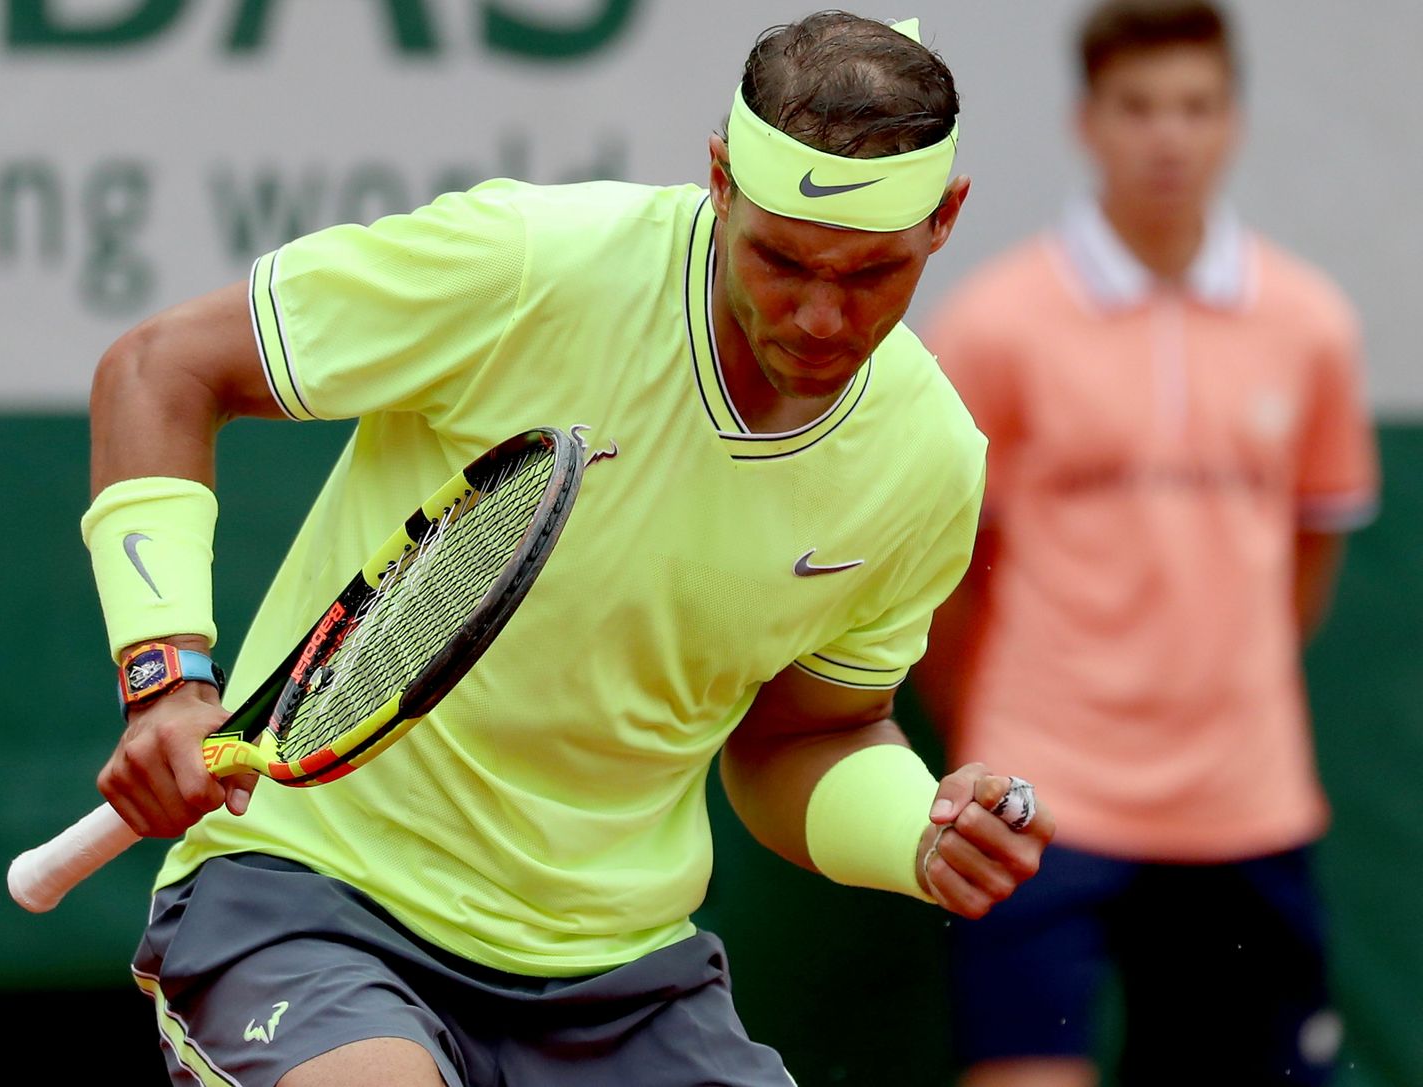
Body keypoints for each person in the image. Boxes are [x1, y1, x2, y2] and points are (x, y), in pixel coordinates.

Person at [82, 13, 1053, 1086]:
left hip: (616, 973)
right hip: (315, 899)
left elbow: (799, 740)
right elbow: (159, 369)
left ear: (946, 219)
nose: (822, 315)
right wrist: (165, 676)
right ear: (720, 181)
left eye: (869, 275)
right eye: (782, 260)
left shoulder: (926, 460)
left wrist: (914, 833)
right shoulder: (530, 265)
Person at [916, 2, 1380, 1085]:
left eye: (1193, 107)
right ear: (1089, 122)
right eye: (1137, 108)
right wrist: (1000, 719)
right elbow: (942, 582)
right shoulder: (993, 323)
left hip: (1245, 804)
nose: (1165, 137)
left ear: (1232, 123)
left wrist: (1222, 681)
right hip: (1042, 794)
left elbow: (1307, 555)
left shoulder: (1309, 324)